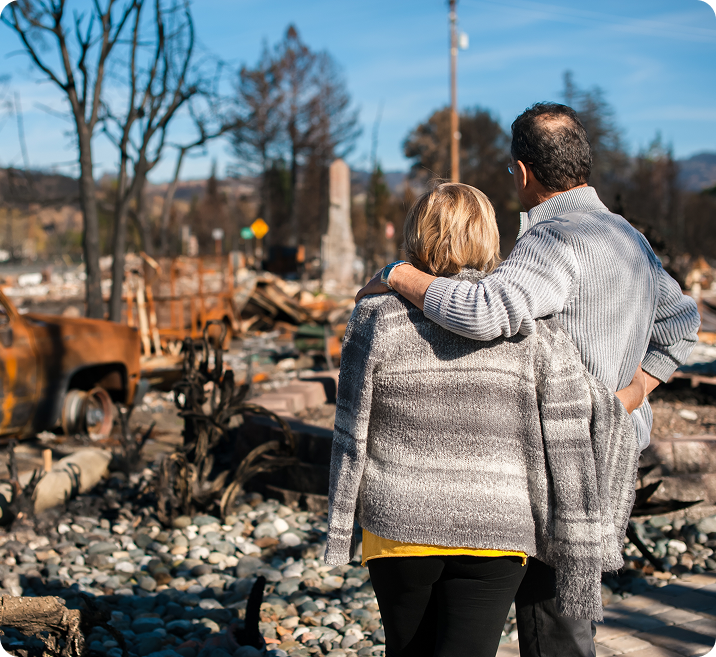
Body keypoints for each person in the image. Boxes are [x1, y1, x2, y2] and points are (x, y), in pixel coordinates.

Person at [356, 103, 701, 657]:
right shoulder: (626, 238)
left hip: (562, 458)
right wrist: (632, 394)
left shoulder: (553, 240)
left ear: (521, 171)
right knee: (569, 619)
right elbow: (682, 323)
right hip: (615, 452)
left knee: (552, 628)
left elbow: (485, 312)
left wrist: (399, 275)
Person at [326, 182, 644, 657]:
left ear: (416, 235)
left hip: (400, 523)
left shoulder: (376, 314)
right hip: (498, 528)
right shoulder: (529, 327)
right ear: (490, 238)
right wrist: (637, 390)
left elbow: (351, 428)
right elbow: (574, 418)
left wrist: (340, 524)